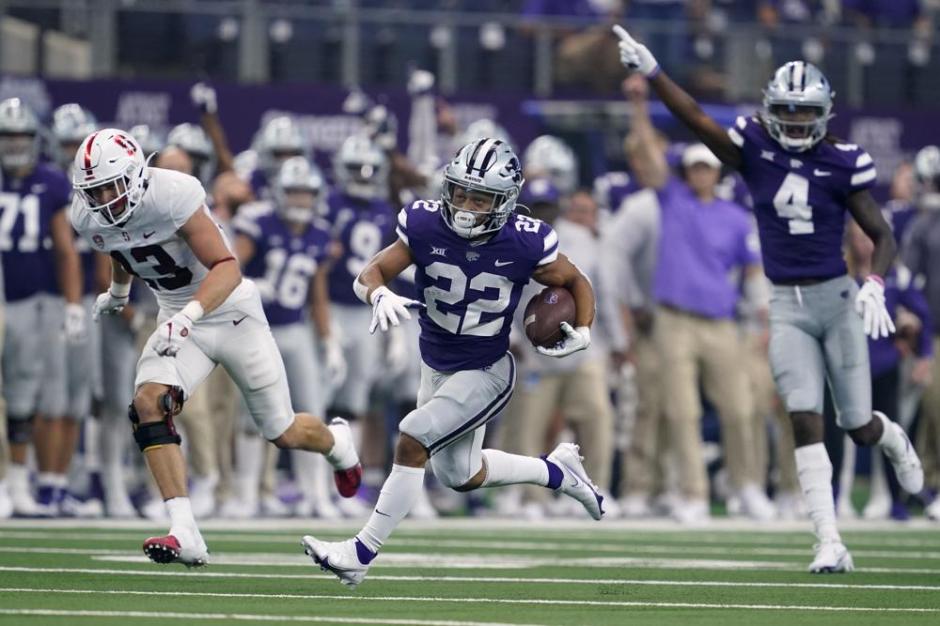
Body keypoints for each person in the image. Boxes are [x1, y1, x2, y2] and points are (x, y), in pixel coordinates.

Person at [613, 26, 923, 571]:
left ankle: (892, 437)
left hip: (835, 299)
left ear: (824, 113)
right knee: (803, 416)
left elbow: (881, 234)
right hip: (786, 305)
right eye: (787, 111)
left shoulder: (842, 161)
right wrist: (655, 72)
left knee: (857, 424)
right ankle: (828, 539)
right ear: (770, 110)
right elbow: (697, 119)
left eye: (806, 112)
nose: (796, 121)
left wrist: (875, 282)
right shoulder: (755, 148)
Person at [302, 138, 605, 589]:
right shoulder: (426, 224)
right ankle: (557, 472)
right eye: (460, 193)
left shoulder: (524, 241)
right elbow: (370, 273)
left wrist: (582, 329)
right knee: (461, 475)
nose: (465, 206)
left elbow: (576, 280)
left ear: (504, 202)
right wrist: (378, 293)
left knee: (412, 438)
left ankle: (360, 553)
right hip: (436, 363)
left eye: (479, 198)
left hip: (486, 368)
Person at [69, 128, 361, 565]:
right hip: (177, 314)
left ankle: (336, 442)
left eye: (113, 186)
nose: (105, 199)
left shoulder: (173, 194)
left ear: (137, 175)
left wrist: (189, 316)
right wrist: (119, 292)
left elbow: (227, 267)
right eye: (96, 191)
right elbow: (120, 244)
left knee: (281, 430)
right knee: (148, 403)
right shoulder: (88, 214)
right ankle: (184, 529)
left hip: (230, 312)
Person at [231, 156, 347, 519]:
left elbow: (317, 294)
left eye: (306, 193)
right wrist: (249, 285)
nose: (300, 199)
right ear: (280, 192)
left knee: (312, 409)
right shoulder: (259, 222)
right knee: (252, 416)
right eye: (294, 192)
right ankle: (246, 495)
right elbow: (228, 267)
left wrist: (328, 341)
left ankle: (316, 494)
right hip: (256, 330)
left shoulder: (319, 233)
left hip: (296, 331)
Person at [0, 97, 86, 517]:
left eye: (22, 135)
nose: (15, 143)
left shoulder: (51, 181)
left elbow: (65, 249)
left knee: (22, 393)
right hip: (7, 297)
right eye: (7, 135)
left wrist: (73, 304)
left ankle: (17, 482)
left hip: (30, 300)